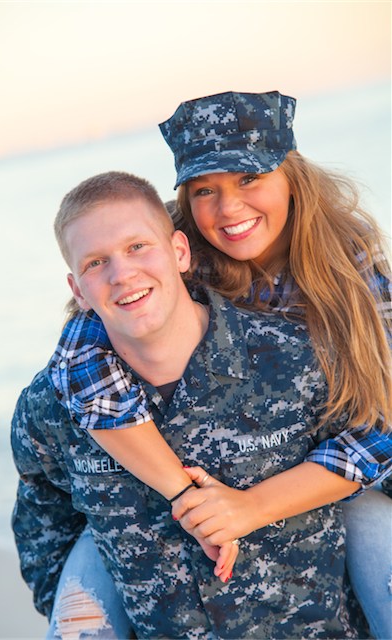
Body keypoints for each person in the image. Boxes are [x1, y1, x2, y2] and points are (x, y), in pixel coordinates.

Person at [44, 91, 391, 638]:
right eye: (206, 190)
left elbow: (383, 418)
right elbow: (82, 358)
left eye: (249, 178)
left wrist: (252, 507)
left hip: (340, 482)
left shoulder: (347, 256)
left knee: (372, 523)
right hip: (196, 497)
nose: (229, 209)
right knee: (98, 544)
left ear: (291, 177)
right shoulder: (176, 259)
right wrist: (183, 493)